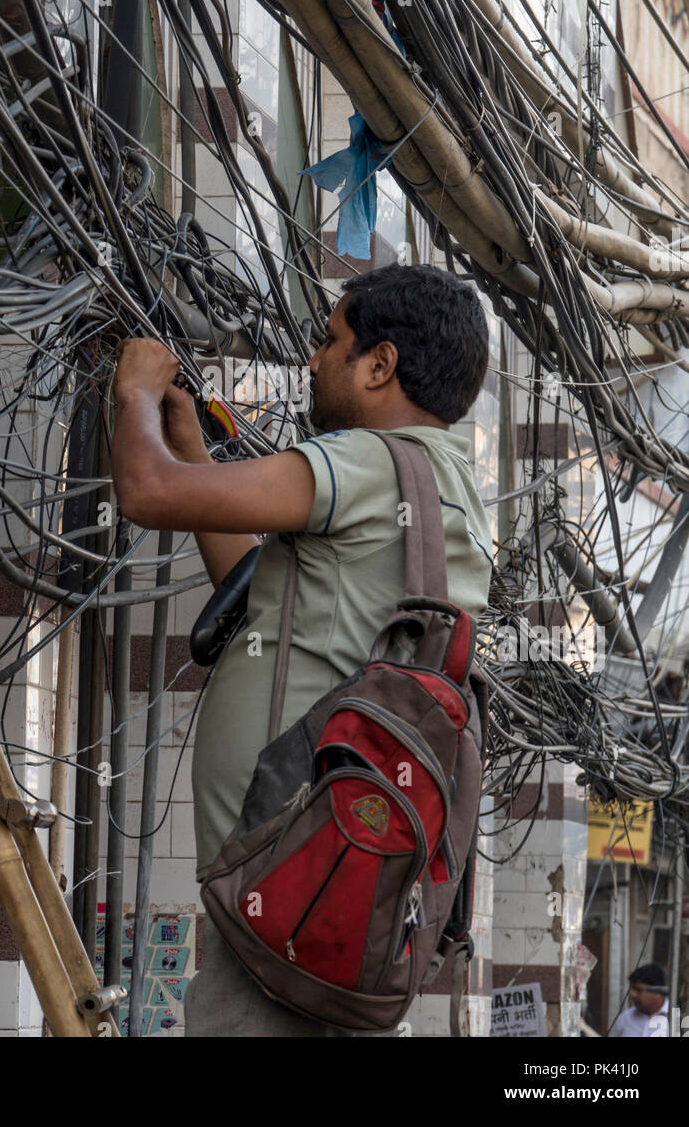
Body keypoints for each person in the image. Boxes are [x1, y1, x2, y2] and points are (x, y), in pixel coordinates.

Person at [111, 262, 494, 1036]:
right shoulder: (444, 487)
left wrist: (134, 393)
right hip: (327, 909)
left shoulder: (364, 460)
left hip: (283, 907)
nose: (313, 361)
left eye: (331, 341)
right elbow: (265, 607)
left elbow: (146, 491)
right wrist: (188, 439)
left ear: (380, 364)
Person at [610, 963, 670, 1037]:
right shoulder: (625, 1018)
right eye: (632, 989)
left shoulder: (676, 1019)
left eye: (638, 990)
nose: (632, 994)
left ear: (658, 992)